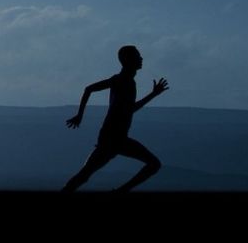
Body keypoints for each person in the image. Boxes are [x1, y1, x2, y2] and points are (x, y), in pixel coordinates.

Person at [62, 45, 169, 192]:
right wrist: (153, 94)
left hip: (111, 137)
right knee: (154, 164)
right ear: (128, 60)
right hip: (115, 138)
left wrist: (80, 115)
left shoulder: (120, 80)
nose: (141, 58)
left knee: (84, 175)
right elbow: (129, 109)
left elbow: (89, 89)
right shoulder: (125, 81)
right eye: (138, 56)